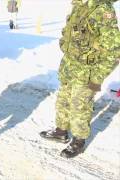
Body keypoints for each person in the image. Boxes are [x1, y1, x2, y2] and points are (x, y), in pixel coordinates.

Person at [40, 0, 120, 158]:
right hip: (70, 66)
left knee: (80, 107)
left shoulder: (103, 9)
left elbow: (114, 51)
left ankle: (79, 140)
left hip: (87, 71)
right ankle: (61, 131)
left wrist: (96, 78)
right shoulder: (79, 5)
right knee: (63, 100)